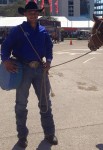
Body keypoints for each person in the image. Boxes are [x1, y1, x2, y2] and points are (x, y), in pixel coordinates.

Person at [1, 1, 58, 148]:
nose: (33, 14)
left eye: (35, 12)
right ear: (25, 14)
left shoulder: (43, 31)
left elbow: (49, 48)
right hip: (23, 70)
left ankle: (49, 133)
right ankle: (22, 137)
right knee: (21, 105)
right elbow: (5, 47)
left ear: (38, 14)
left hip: (40, 70)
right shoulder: (18, 30)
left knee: (45, 103)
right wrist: (6, 60)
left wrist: (49, 61)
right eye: (30, 12)